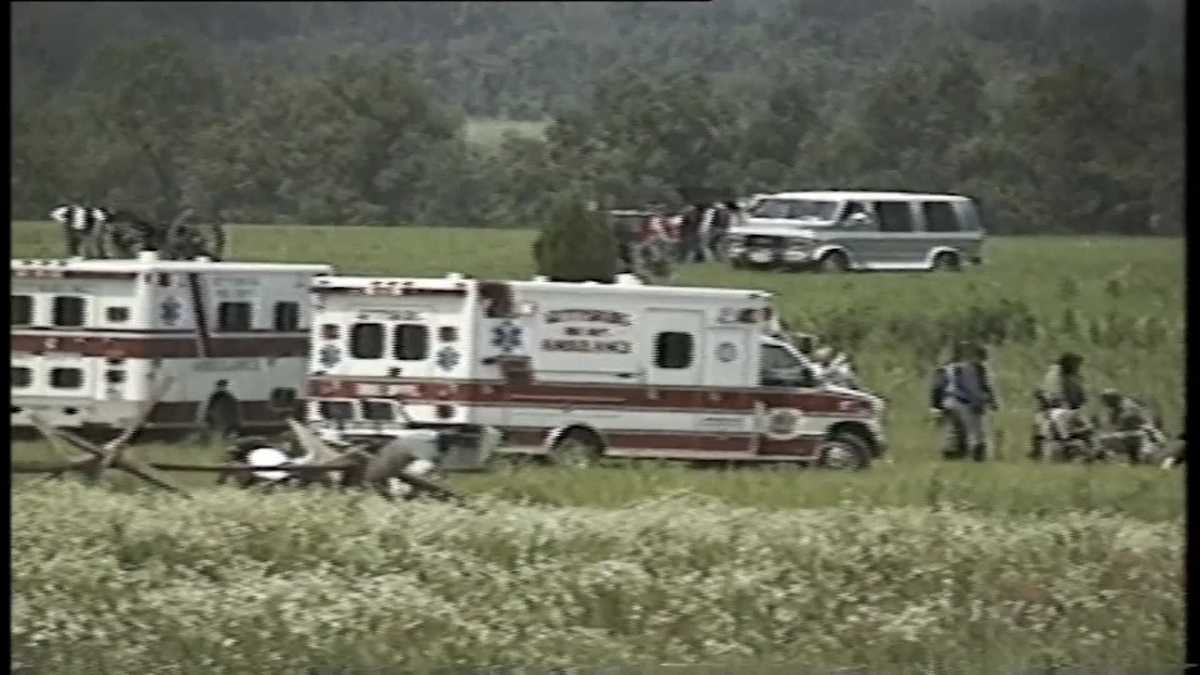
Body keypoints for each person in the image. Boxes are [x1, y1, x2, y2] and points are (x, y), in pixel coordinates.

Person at [930, 341, 997, 461]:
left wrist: (935, 406)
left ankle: (955, 454)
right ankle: (971, 454)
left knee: (954, 430)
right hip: (964, 402)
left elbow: (938, 387)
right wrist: (987, 401)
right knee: (971, 431)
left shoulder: (946, 369)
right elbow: (979, 387)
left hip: (951, 401)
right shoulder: (973, 368)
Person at [1031, 352, 1088, 461]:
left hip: (1071, 410)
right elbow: (1052, 394)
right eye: (1075, 364)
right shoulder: (1055, 374)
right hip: (1056, 410)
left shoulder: (1076, 377)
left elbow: (1081, 397)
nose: (1077, 367)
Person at [1095, 389, 1167, 464]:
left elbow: (1127, 425)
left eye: (1106, 400)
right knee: (1104, 439)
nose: (1105, 403)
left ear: (1113, 399)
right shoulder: (1116, 409)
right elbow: (1114, 428)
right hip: (1136, 435)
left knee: (1106, 440)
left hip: (1146, 436)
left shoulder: (1127, 407)